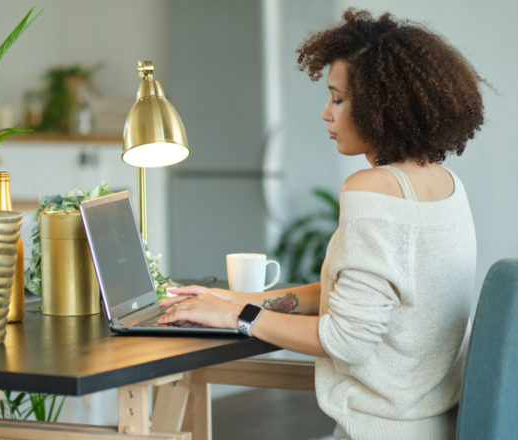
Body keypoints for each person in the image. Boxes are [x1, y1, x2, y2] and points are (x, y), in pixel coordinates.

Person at [159, 8, 484, 440]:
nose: (326, 114)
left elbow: (346, 339)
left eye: (337, 98)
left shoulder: (373, 188)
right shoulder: (445, 184)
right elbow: (353, 297)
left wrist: (238, 314)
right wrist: (230, 298)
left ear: (380, 106)